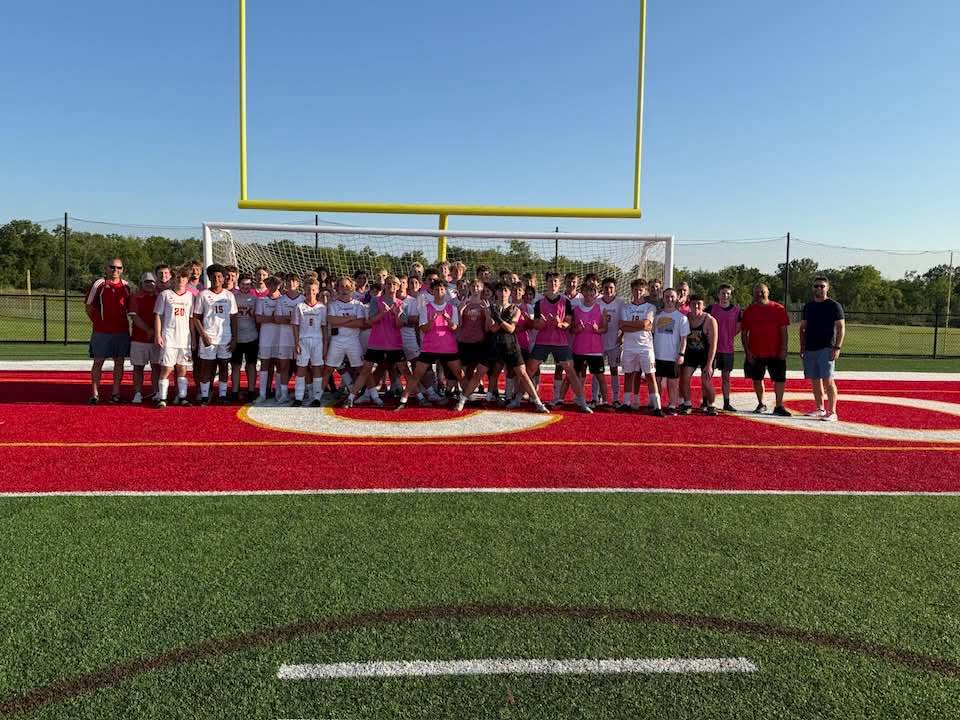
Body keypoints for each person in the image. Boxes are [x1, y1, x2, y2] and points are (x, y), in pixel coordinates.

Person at [455, 282, 548, 413]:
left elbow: (511, 329)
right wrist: (494, 317)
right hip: (493, 345)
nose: (503, 293)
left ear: (509, 293)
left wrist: (497, 318)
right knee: (479, 373)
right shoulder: (490, 308)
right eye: (500, 291)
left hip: (510, 345)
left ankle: (538, 402)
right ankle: (462, 399)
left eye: (505, 290)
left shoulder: (515, 309)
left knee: (523, 374)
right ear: (496, 293)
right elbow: (491, 328)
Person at [526, 271, 592, 414]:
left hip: (560, 341)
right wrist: (541, 324)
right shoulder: (539, 303)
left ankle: (582, 401)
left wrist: (559, 324)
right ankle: (518, 397)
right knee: (529, 370)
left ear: (559, 283)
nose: (553, 283)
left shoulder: (565, 302)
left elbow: (568, 323)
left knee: (571, 371)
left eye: (556, 281)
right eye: (551, 281)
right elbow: (536, 324)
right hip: (542, 340)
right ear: (546, 283)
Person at [344, 276, 411, 408]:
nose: (391, 286)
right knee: (365, 370)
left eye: (394, 284)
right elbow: (370, 321)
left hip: (394, 344)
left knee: (405, 370)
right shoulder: (376, 300)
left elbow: (400, 325)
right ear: (385, 286)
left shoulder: (402, 304)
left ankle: (416, 397)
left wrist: (396, 314)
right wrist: (383, 313)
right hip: (377, 342)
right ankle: (351, 397)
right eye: (388, 283)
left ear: (398, 287)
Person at [398, 279, 466, 408]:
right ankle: (403, 400)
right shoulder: (426, 308)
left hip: (448, 347)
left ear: (445, 291)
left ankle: (466, 398)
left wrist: (447, 319)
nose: (439, 292)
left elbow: (455, 328)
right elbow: (423, 328)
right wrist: (432, 321)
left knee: (459, 374)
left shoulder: (452, 308)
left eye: (442, 289)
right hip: (430, 347)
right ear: (432, 292)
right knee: (417, 374)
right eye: (436, 289)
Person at [85, 257, 132, 404]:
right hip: (102, 332)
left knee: (119, 362)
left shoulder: (126, 286)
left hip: (121, 331)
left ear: (122, 270)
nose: (115, 270)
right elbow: (89, 307)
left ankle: (115, 393)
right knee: (98, 361)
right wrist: (98, 322)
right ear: (106, 268)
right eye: (112, 267)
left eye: (119, 268)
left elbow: (130, 308)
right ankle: (95, 393)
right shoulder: (99, 284)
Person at [741, 283, 791, 416]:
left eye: (762, 291)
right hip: (756, 352)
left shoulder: (778, 309)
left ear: (768, 292)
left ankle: (779, 406)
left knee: (779, 379)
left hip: (775, 352)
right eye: (757, 292)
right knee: (757, 379)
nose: (759, 294)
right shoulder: (749, 311)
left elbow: (784, 331)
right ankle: (761, 403)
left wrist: (784, 348)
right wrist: (748, 352)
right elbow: (744, 334)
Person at [800, 276, 845, 422]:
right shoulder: (808, 306)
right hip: (810, 348)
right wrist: (802, 347)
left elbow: (841, 327)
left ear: (827, 288)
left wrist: (837, 347)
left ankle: (832, 411)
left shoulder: (834, 306)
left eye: (822, 286)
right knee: (815, 380)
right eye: (816, 286)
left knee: (828, 381)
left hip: (827, 348)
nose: (818, 288)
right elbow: (803, 328)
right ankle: (820, 408)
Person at [192, 264, 238, 405]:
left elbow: (234, 319)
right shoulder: (203, 295)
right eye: (214, 276)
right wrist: (203, 335)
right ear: (209, 278)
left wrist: (234, 338)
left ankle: (223, 395)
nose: (217, 279)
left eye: (219, 276)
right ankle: (205, 397)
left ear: (223, 278)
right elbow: (196, 318)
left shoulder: (229, 295)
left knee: (224, 366)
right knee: (206, 366)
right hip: (209, 337)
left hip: (225, 337)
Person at [153, 266, 195, 407]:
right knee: (167, 368)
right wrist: (158, 335)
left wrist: (193, 338)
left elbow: (191, 319)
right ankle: (162, 399)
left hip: (184, 338)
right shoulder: (165, 295)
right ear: (173, 278)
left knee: (182, 369)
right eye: (177, 277)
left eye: (183, 277)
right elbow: (158, 315)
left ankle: (182, 397)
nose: (180, 280)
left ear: (187, 279)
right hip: (169, 337)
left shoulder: (190, 296)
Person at [320, 276, 368, 397]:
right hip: (337, 340)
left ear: (352, 287)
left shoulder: (358, 305)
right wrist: (350, 318)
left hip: (353, 340)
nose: (344, 289)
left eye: (347, 286)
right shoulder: (333, 305)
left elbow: (360, 323)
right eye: (341, 286)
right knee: (328, 369)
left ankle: (369, 394)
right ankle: (317, 396)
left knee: (361, 369)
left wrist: (341, 321)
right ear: (337, 288)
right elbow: (331, 320)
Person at [618, 279, 660, 414]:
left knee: (650, 375)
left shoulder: (650, 307)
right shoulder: (625, 307)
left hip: (645, 346)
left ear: (645, 291)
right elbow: (622, 326)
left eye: (641, 290)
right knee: (629, 375)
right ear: (631, 290)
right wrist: (641, 325)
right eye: (635, 290)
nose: (638, 292)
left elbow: (646, 324)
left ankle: (657, 406)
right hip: (629, 346)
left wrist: (630, 324)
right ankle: (626, 403)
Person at [291, 277, 328, 407]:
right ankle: (298, 397)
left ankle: (316, 397)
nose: (310, 292)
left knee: (317, 368)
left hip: (317, 341)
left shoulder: (322, 307)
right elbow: (295, 326)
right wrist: (296, 343)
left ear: (317, 290)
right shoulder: (299, 306)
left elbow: (324, 327)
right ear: (304, 290)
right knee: (301, 368)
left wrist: (325, 345)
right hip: (303, 341)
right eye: (308, 289)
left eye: (313, 290)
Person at [571, 282, 609, 408]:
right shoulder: (575, 310)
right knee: (578, 377)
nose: (588, 297)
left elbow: (605, 329)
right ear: (583, 295)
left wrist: (597, 330)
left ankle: (605, 402)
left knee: (600, 377)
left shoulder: (601, 309)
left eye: (591, 294)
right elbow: (571, 330)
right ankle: (578, 398)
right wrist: (578, 329)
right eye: (586, 294)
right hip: (579, 349)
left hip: (595, 350)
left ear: (595, 295)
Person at [653, 288, 689, 415]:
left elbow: (684, 339)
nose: (669, 299)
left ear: (677, 298)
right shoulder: (657, 317)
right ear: (663, 298)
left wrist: (681, 354)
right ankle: (656, 405)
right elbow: (652, 336)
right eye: (667, 296)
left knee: (673, 383)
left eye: (672, 297)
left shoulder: (682, 318)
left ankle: (672, 405)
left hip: (673, 356)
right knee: (656, 382)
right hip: (657, 356)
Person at [682, 296, 719, 415]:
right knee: (685, 378)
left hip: (706, 354)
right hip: (691, 353)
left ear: (703, 305)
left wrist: (709, 364)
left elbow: (713, 344)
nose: (696, 306)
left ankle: (711, 404)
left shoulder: (710, 320)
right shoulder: (685, 319)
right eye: (693, 304)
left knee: (706, 381)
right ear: (689, 305)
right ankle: (687, 403)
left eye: (699, 304)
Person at [707, 284, 742, 412]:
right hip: (713, 349)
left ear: (730, 295)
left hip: (727, 349)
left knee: (726, 377)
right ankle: (706, 401)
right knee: (708, 375)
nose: (725, 296)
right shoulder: (711, 308)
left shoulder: (736, 310)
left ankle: (726, 402)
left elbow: (738, 327)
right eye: (723, 293)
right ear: (718, 294)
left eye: (728, 293)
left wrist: (729, 335)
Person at [127, 272, 160, 404]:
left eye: (151, 282)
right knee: (138, 367)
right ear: (142, 283)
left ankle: (157, 392)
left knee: (156, 367)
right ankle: (137, 393)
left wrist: (155, 332)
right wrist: (148, 330)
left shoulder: (160, 297)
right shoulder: (136, 297)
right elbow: (134, 316)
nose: (149, 284)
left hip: (156, 339)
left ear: (155, 283)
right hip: (139, 338)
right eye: (146, 282)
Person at [231, 273, 260, 401]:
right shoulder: (233, 298)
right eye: (243, 284)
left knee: (251, 365)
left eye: (248, 284)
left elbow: (257, 319)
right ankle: (235, 391)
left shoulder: (255, 300)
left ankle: (251, 391)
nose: (245, 287)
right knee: (236, 366)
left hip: (251, 335)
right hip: (236, 336)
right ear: (239, 284)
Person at [254, 276, 283, 403]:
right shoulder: (262, 300)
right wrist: (274, 319)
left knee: (279, 365)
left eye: (275, 285)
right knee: (265, 365)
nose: (272, 287)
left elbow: (285, 318)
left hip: (281, 337)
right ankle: (262, 394)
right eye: (269, 284)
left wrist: (270, 318)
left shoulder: (283, 300)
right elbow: (259, 318)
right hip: (265, 337)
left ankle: (278, 393)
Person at [598, 277, 624, 407]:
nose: (608, 290)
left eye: (611, 288)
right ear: (602, 289)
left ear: (615, 289)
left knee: (614, 370)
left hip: (614, 342)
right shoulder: (597, 302)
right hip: (598, 342)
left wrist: (622, 335)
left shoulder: (620, 302)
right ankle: (596, 396)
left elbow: (624, 321)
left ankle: (615, 397)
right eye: (606, 288)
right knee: (598, 371)